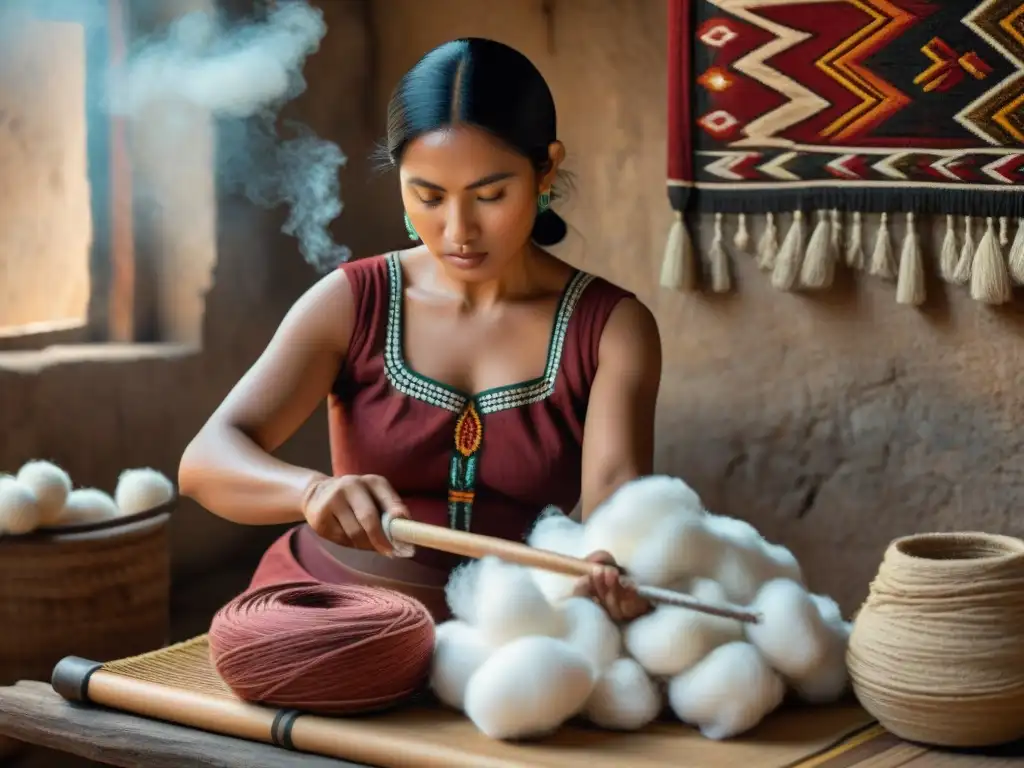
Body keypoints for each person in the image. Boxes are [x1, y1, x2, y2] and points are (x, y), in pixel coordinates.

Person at [178, 37, 662, 624]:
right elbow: (204, 462)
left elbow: (619, 509)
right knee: (275, 650)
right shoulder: (351, 302)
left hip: (508, 634)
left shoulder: (611, 329)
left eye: (491, 195)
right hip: (329, 608)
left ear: (546, 170)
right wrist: (309, 492)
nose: (458, 229)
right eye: (428, 196)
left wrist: (613, 562)